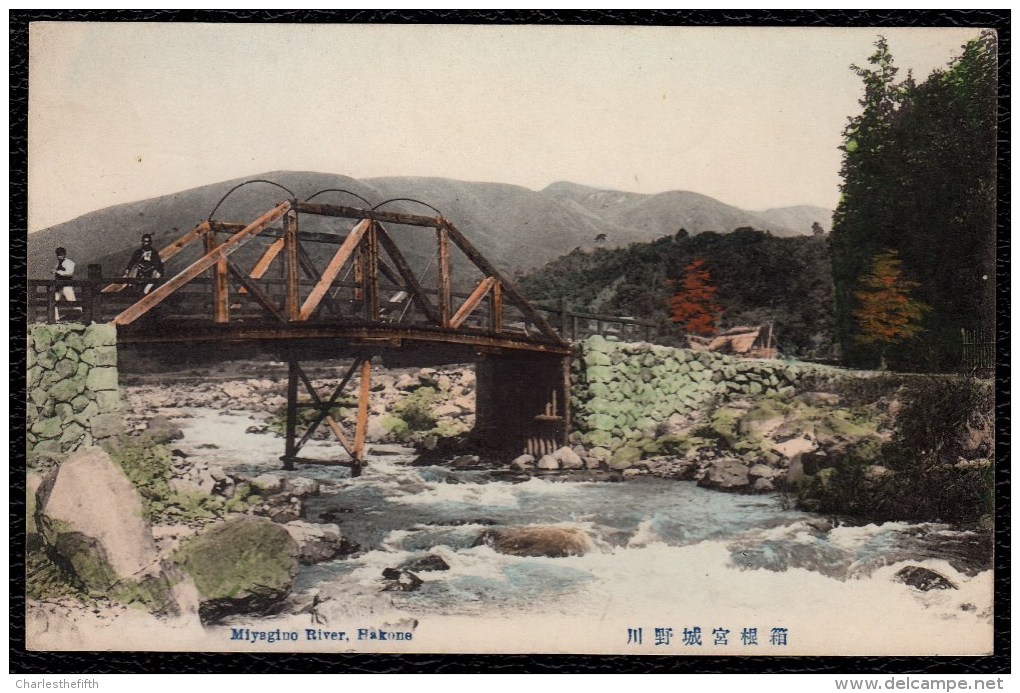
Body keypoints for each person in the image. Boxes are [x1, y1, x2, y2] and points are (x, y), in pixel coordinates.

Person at [53, 247, 77, 320]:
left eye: (61, 254)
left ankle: (82, 316)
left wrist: (58, 272)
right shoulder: (57, 264)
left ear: (65, 254)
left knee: (73, 302)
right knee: (53, 301)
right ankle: (56, 319)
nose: (59, 256)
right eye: (58, 254)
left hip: (67, 286)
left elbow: (69, 273)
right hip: (58, 287)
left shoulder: (69, 263)